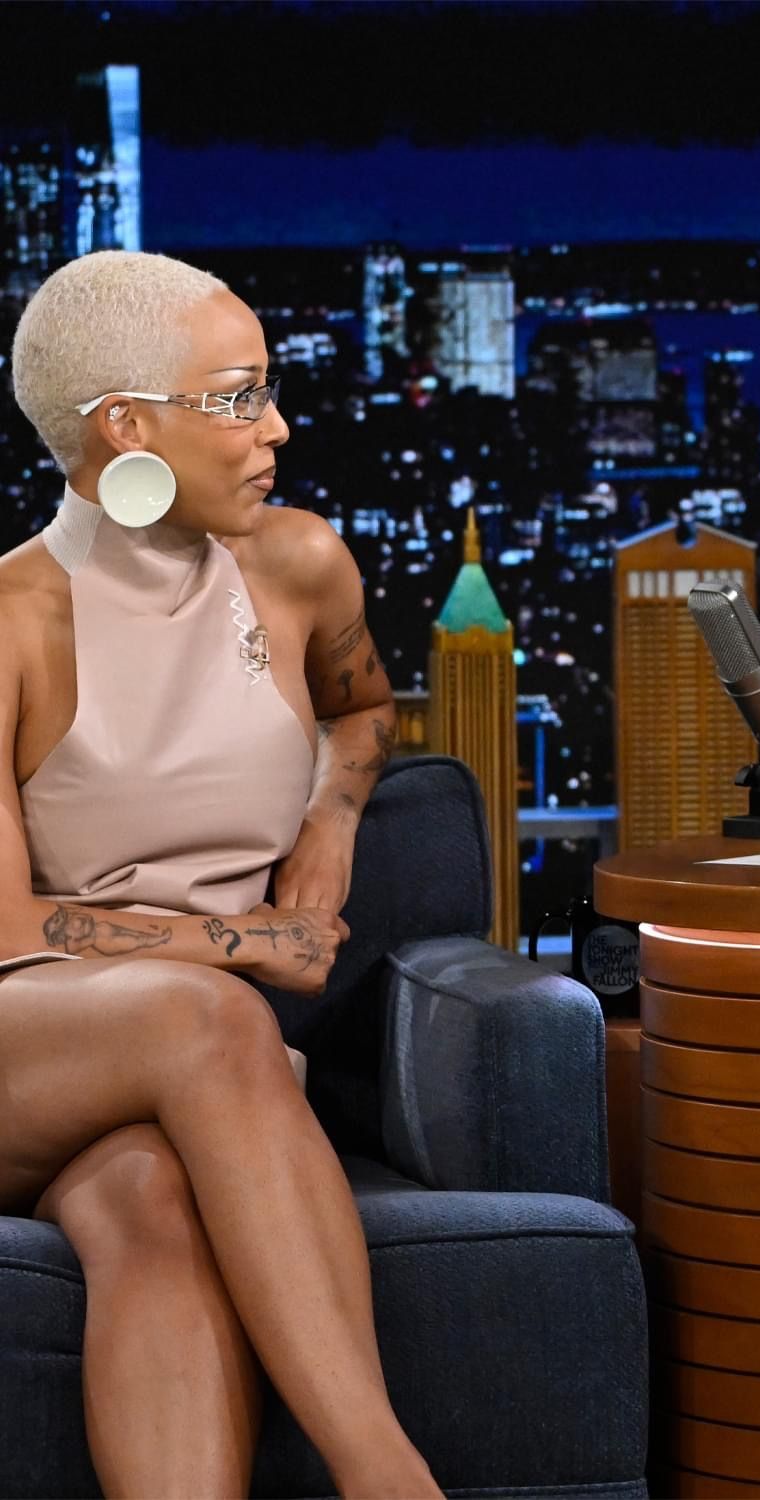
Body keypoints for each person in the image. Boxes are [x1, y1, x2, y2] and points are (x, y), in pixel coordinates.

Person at [0, 251, 442, 1499]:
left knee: (151, 1202)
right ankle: (391, 1479)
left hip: (205, 1072)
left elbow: (362, 713)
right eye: (239, 396)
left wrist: (330, 824)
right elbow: (5, 926)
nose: (276, 427)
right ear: (126, 427)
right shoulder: (13, 622)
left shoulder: (300, 566)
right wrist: (250, 947)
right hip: (31, 1044)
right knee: (208, 1020)